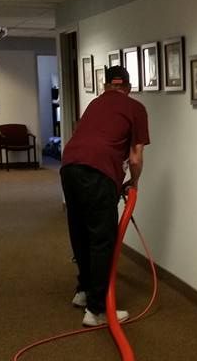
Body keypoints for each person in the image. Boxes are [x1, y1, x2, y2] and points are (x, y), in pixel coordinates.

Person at [60, 65, 150, 327]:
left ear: (106, 86)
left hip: (69, 166)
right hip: (99, 172)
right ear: (129, 88)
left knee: (80, 231)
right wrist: (134, 182)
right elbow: (135, 157)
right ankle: (97, 310)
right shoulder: (136, 108)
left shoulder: (95, 103)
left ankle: (83, 291)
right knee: (102, 239)